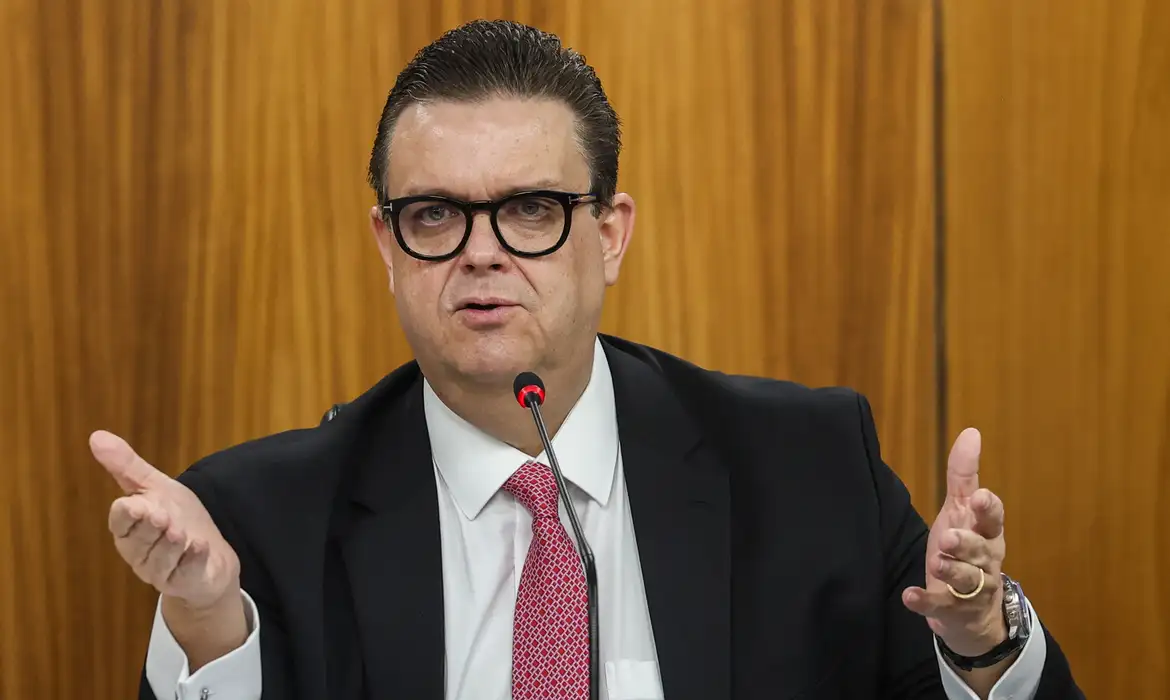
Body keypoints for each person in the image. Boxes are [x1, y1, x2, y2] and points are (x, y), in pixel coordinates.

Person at [90, 19, 1082, 700]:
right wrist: (209, 627)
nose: (481, 253)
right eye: (434, 215)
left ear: (609, 234)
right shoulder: (262, 521)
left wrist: (981, 644)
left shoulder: (807, 468)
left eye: (530, 210)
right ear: (388, 245)